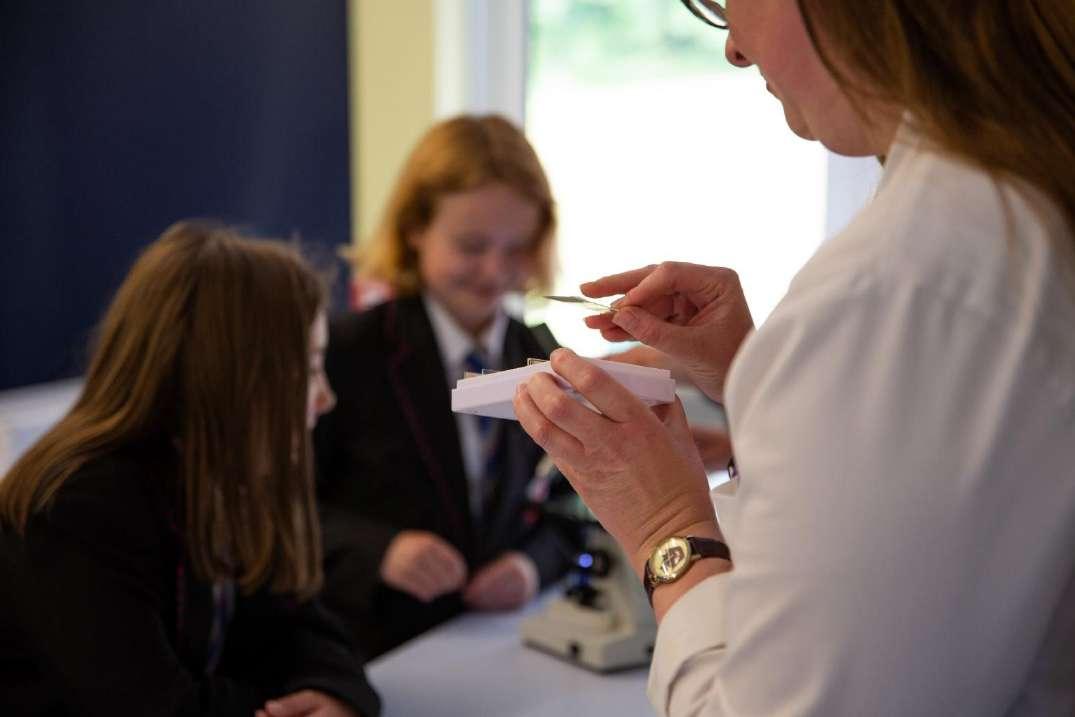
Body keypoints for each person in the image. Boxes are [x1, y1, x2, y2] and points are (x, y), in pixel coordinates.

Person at [513, 1, 1075, 715]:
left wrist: (665, 527)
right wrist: (760, 383)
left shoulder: (901, 283)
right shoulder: (1017, 196)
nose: (734, 49)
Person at [0, 222, 381, 717]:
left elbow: (304, 631)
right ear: (230, 374)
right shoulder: (80, 507)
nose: (326, 399)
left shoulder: (227, 476)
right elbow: (155, 708)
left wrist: (334, 696)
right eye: (308, 369)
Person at [315, 114, 579, 659]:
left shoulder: (542, 349)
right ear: (415, 228)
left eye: (516, 248)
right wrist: (380, 552)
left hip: (497, 648)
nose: (494, 271)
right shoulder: (346, 352)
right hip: (369, 652)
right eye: (471, 246)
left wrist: (531, 567)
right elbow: (284, 514)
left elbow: (571, 509)